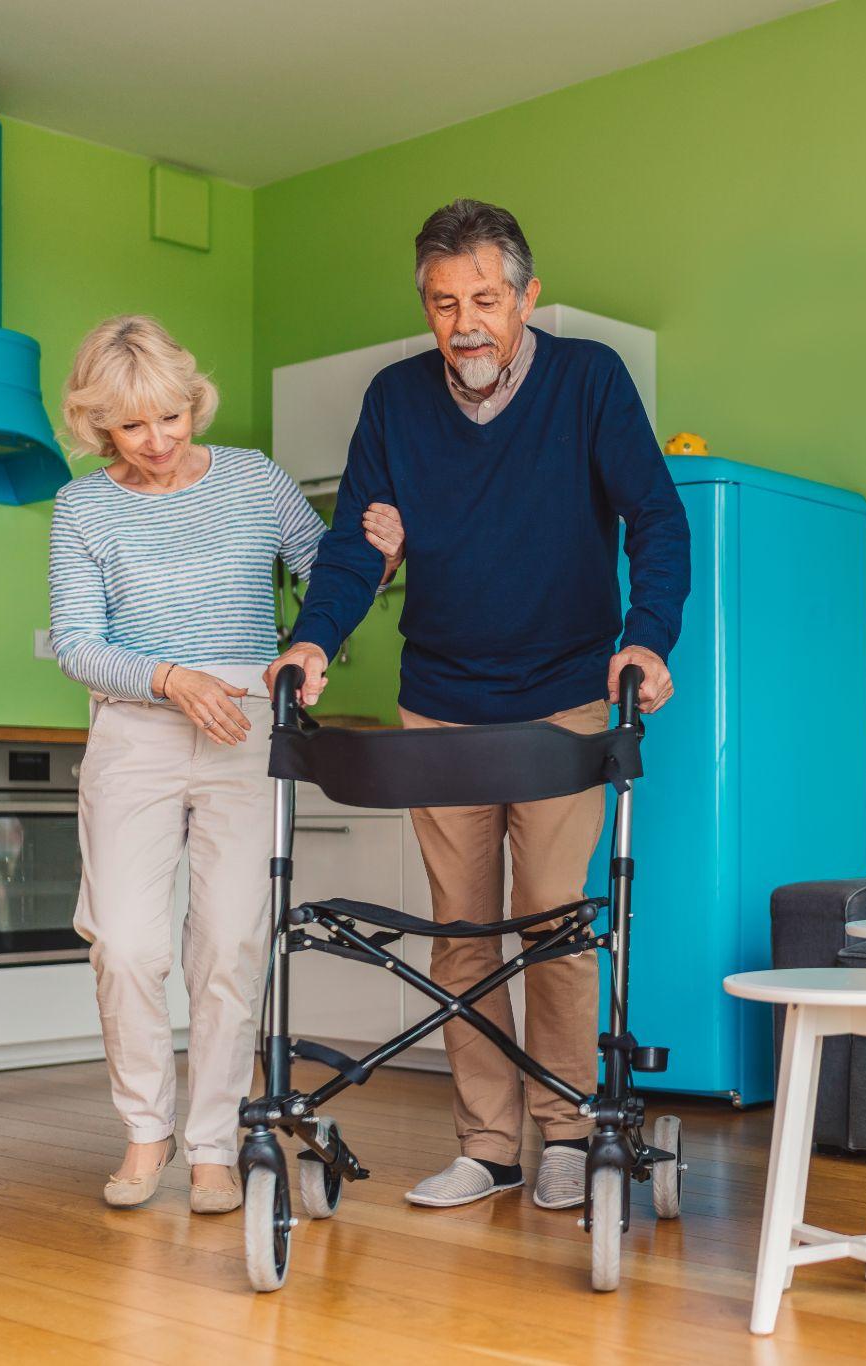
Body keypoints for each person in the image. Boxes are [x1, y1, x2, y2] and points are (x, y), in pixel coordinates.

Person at [265, 199, 690, 1213]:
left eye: (486, 300)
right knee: (459, 932)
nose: (465, 324)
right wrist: (313, 640)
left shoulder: (588, 382)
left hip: (563, 701)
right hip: (441, 701)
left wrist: (647, 636)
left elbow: (656, 518)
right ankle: (488, 1144)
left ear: (527, 298)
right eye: (443, 302)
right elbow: (354, 547)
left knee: (551, 924)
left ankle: (565, 1132)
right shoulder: (397, 398)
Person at [49, 315, 407, 1212]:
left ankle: (212, 1141)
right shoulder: (84, 506)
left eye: (171, 417)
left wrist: (383, 555)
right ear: (100, 426)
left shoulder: (251, 478)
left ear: (190, 400)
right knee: (127, 945)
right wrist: (171, 679)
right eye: (133, 427)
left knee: (231, 944)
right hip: (137, 731)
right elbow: (76, 643)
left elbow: (328, 570)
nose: (159, 442)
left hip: (246, 726)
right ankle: (146, 1131)